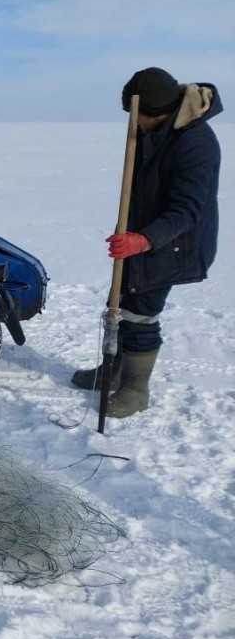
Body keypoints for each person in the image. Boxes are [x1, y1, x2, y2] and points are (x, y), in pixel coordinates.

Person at [71, 67, 223, 418]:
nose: (132, 121)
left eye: (134, 114)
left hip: (173, 243)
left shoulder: (194, 143)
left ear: (154, 111)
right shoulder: (155, 131)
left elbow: (188, 210)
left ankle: (135, 389)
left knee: (141, 311)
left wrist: (142, 240)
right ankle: (113, 371)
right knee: (121, 301)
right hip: (143, 234)